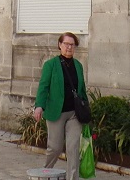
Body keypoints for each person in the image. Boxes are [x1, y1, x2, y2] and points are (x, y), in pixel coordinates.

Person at [34, 32, 86, 180]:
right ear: (60, 45)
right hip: (56, 112)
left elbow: (82, 90)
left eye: (72, 45)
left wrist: (86, 110)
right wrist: (39, 106)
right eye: (66, 44)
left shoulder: (78, 66)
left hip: (74, 113)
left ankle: (72, 178)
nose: (69, 47)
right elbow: (43, 87)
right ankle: (46, 173)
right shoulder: (50, 65)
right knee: (55, 148)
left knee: (73, 148)